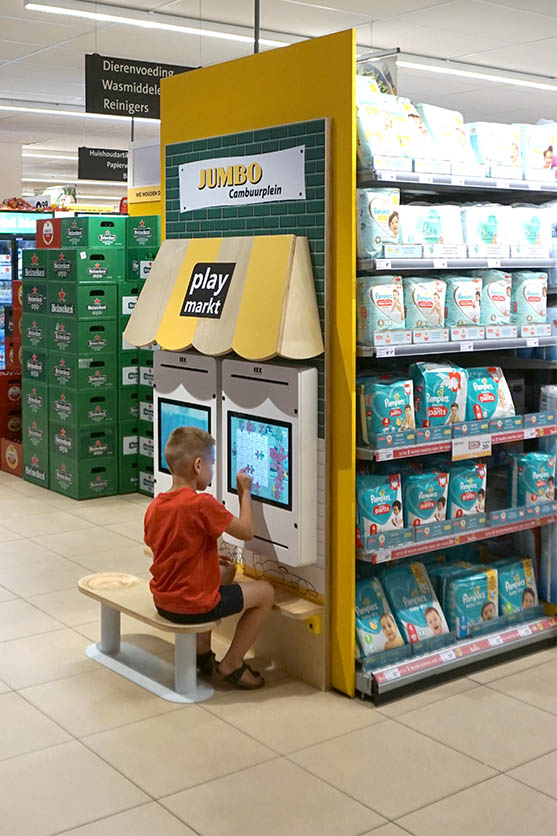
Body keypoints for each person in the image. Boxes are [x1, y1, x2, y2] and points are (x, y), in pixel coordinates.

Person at [144, 426, 274, 690]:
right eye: (212, 464)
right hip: (193, 606)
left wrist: (208, 559)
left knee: (225, 574)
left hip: (164, 600)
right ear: (198, 465)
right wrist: (244, 493)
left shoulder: (155, 506)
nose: (213, 471)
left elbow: (169, 548)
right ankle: (233, 663)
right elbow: (246, 531)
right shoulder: (202, 504)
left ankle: (202, 651)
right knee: (265, 593)